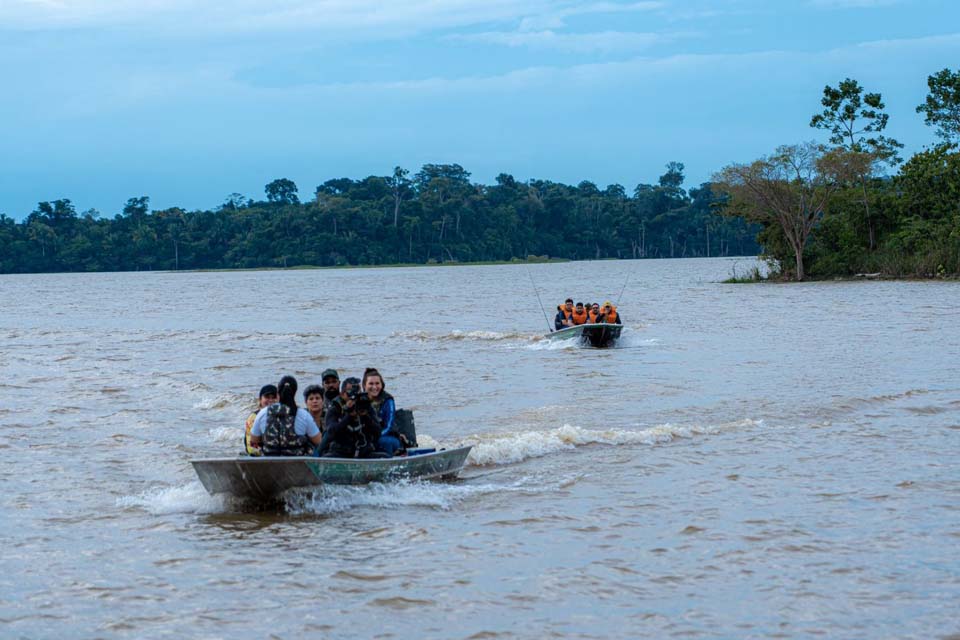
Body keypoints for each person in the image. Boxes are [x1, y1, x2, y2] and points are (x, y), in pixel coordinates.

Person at [249, 376, 323, 456]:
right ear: (295, 392)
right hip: (297, 465)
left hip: (269, 462)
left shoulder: (263, 413)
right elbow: (319, 441)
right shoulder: (303, 415)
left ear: (278, 394)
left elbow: (253, 441)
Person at [318, 377, 383, 458]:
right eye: (350, 393)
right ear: (342, 394)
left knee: (385, 457)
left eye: (357, 392)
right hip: (340, 451)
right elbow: (331, 431)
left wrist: (365, 416)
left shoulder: (366, 406)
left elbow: (378, 431)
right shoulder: (335, 408)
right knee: (326, 458)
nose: (354, 397)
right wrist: (348, 416)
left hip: (363, 451)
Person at [362, 367, 405, 456]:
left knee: (383, 442)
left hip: (388, 437)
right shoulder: (360, 401)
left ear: (382, 385)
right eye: (371, 384)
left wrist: (374, 437)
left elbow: (389, 426)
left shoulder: (388, 400)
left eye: (377, 383)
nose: (374, 387)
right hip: (366, 438)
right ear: (364, 385)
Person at [244, 384, 277, 456]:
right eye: (267, 397)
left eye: (274, 397)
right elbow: (251, 447)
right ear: (260, 399)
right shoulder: (253, 418)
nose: (271, 400)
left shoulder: (285, 416)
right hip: (260, 457)